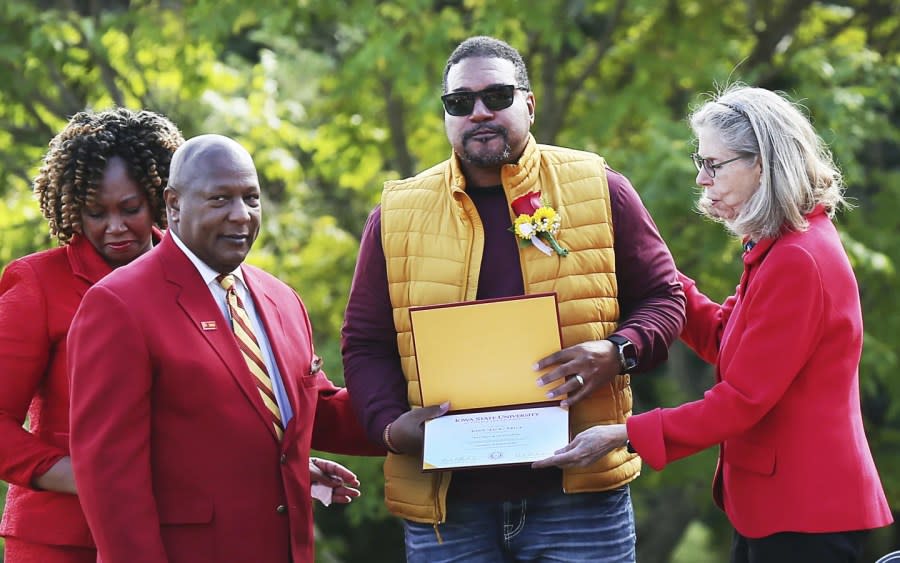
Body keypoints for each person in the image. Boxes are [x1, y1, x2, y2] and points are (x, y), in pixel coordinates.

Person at [342, 36, 685, 562]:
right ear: (446, 115)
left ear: (528, 103)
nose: (479, 112)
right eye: (460, 103)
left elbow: (665, 298)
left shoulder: (599, 187)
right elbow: (365, 342)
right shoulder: (395, 212)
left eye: (497, 96)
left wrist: (616, 352)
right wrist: (389, 426)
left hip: (579, 496)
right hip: (449, 505)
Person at [533, 85, 894, 562]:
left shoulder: (798, 259)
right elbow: (725, 339)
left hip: (806, 513)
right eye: (698, 162)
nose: (701, 179)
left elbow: (742, 399)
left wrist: (623, 433)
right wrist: (651, 269)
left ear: (762, 162)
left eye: (713, 164)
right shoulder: (783, 246)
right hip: (782, 510)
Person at [67, 134, 384, 563]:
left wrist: (409, 419)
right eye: (220, 199)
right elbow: (110, 478)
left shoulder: (281, 298)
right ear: (173, 205)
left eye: (251, 198)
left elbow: (315, 413)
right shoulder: (118, 304)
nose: (241, 215)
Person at [0, 108, 183, 563]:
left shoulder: (193, 279)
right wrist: (81, 475)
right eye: (95, 212)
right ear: (71, 206)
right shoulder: (37, 284)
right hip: (61, 538)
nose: (115, 227)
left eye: (131, 209)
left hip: (176, 528)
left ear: (160, 199)